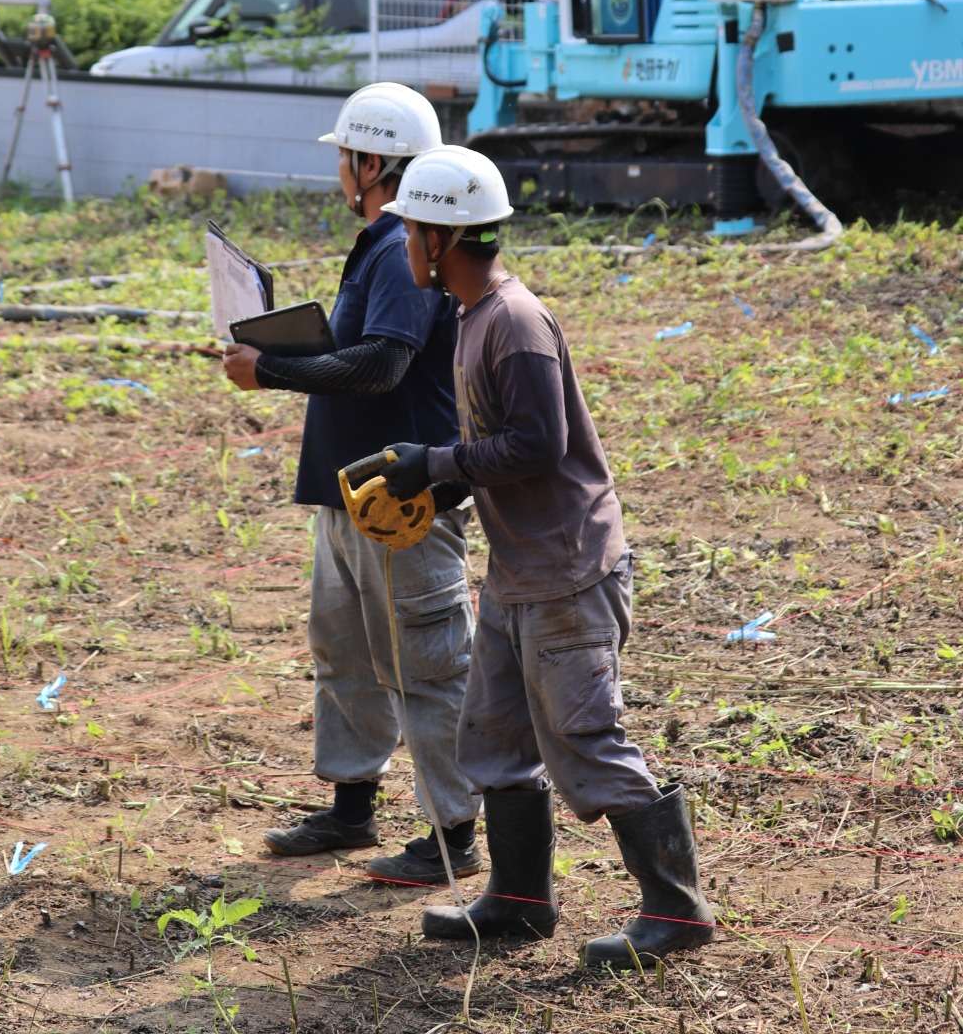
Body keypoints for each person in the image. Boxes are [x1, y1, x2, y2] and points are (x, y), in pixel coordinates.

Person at [377, 145, 714, 968]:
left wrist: (439, 463)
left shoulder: (515, 323)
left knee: (586, 738)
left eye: (413, 230)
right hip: (520, 571)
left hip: (566, 572)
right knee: (492, 737)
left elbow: (538, 444)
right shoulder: (472, 317)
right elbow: (501, 446)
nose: (407, 244)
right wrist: (439, 484)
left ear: (438, 237)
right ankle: (521, 901)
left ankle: (678, 910)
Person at [221, 83, 480, 884]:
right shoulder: (380, 243)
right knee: (348, 653)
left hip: (401, 499)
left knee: (426, 663)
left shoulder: (404, 247)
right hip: (351, 491)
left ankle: (455, 836)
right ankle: (352, 809)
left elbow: (382, 362)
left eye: (345, 155)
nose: (339, 169)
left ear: (372, 162)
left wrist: (271, 369)